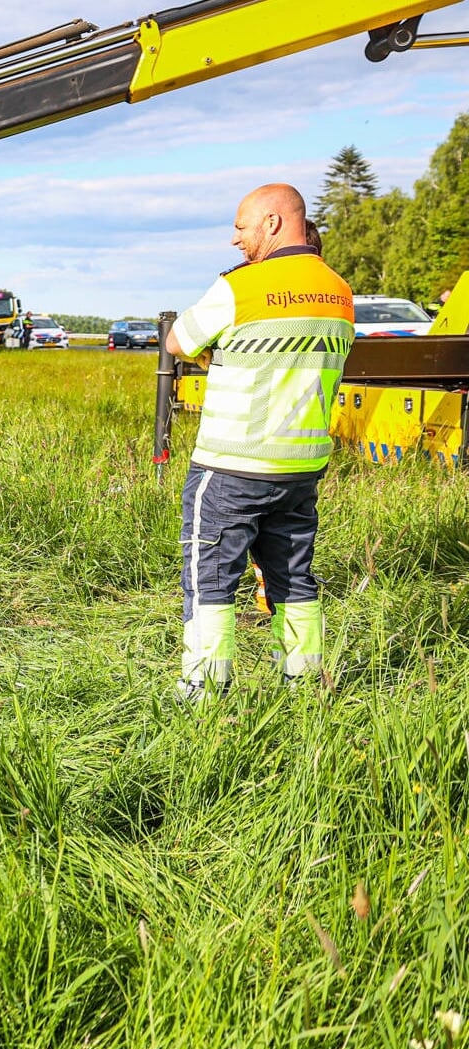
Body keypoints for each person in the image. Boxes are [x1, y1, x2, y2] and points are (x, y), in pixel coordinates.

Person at [165, 183, 354, 701]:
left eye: (241, 226)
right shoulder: (339, 291)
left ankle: (205, 691)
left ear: (272, 222)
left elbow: (177, 341)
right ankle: (303, 684)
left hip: (232, 463)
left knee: (210, 578)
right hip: (300, 469)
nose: (235, 239)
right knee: (294, 577)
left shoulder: (242, 286)